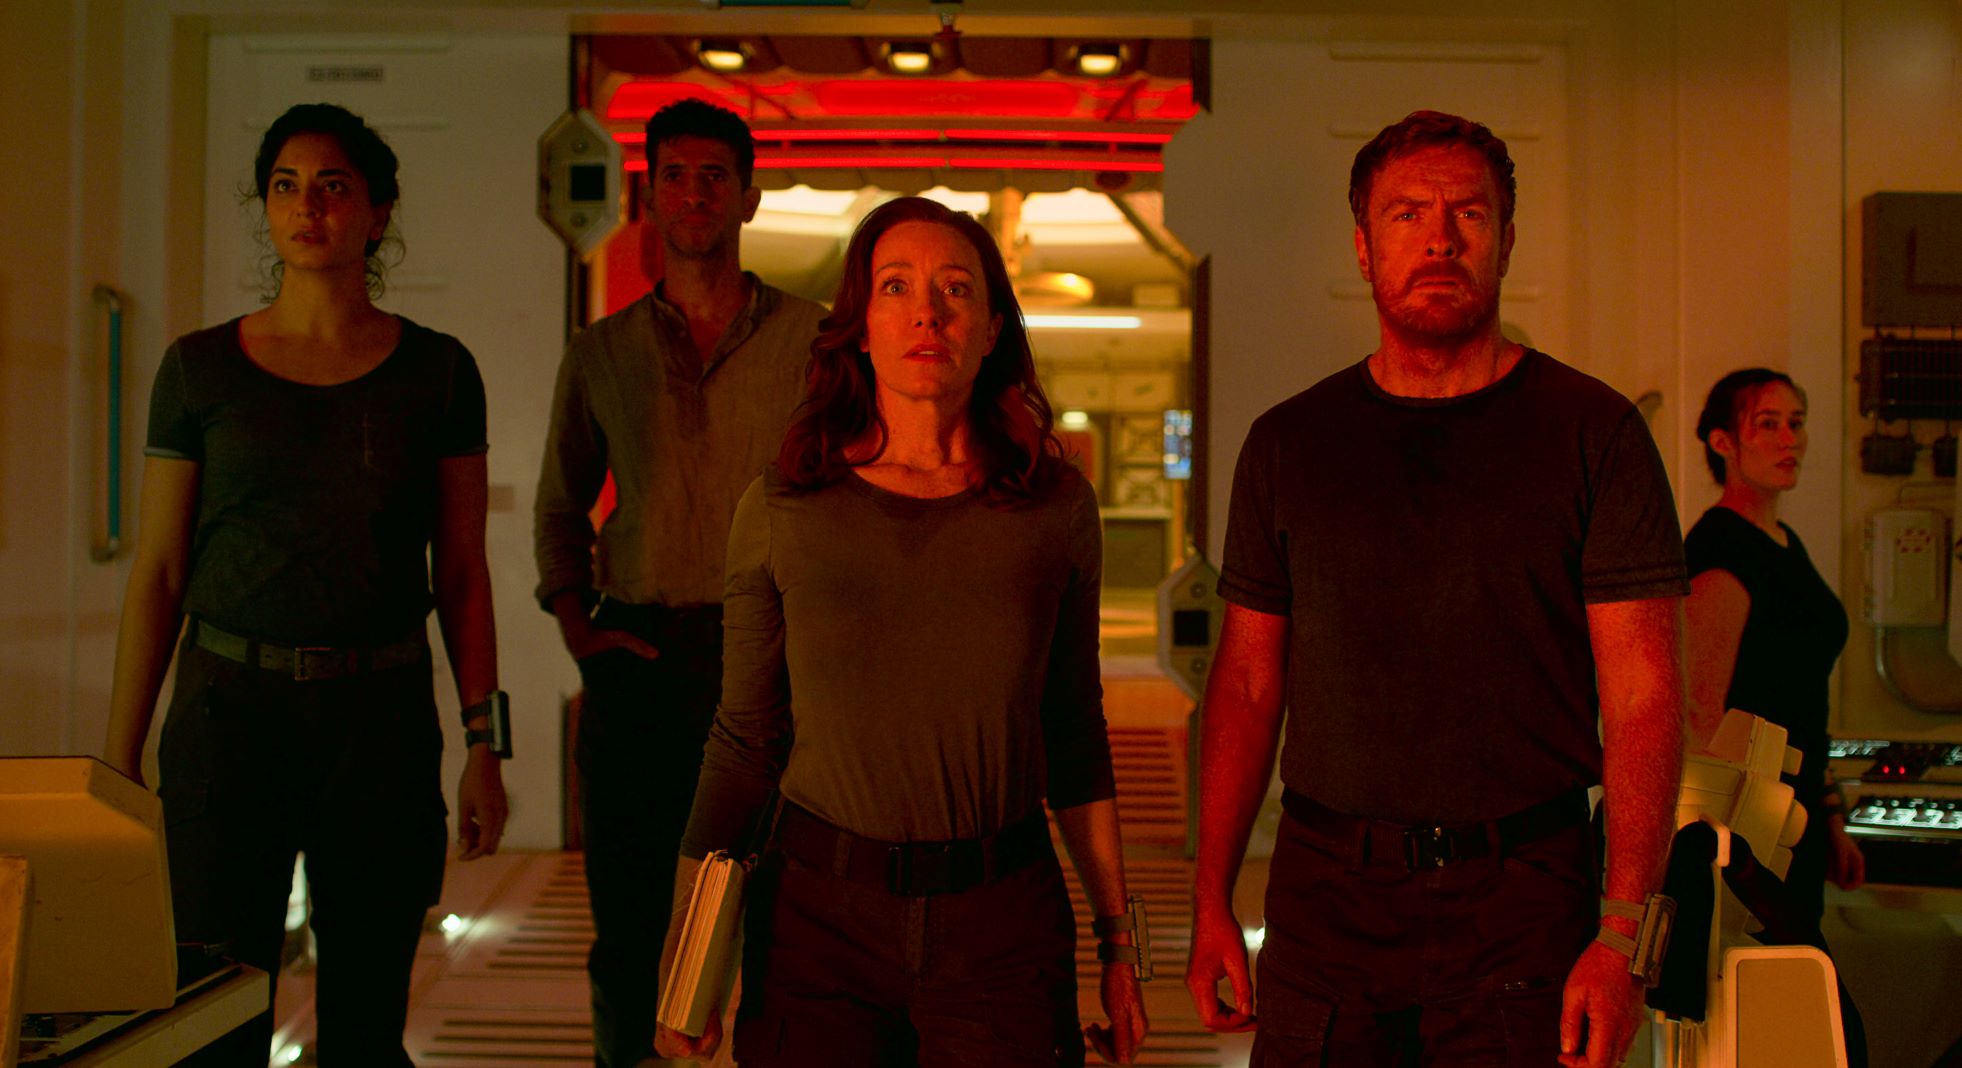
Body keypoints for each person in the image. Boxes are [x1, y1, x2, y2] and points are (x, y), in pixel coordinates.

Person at [1183, 110, 1687, 1068]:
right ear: (1364, 248)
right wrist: (1210, 900)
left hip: (1524, 899)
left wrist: (1625, 935)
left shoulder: (1595, 434)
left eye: (1470, 214)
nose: (1441, 238)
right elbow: (1246, 683)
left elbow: (1644, 694)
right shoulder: (1291, 444)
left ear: (1506, 241)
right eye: (1408, 214)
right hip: (1328, 898)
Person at [654, 196, 1149, 1067]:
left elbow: (1074, 730)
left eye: (955, 289)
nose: (928, 312)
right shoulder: (785, 505)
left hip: (1001, 921)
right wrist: (687, 958)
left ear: (991, 330)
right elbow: (744, 741)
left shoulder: (1054, 508)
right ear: (861, 327)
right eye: (896, 287)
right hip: (818, 920)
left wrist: (1120, 944)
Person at [103, 102, 507, 1066]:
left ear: (378, 209)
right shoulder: (199, 370)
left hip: (378, 716)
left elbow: (461, 570)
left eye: (332, 185)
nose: (307, 206)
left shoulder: (439, 373)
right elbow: (159, 570)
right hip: (228, 713)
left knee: (365, 1024)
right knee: (213, 1016)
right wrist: (116, 761)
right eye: (285, 186)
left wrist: (484, 744)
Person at [532, 97, 827, 1068]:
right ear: (648, 196)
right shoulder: (603, 352)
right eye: (675, 176)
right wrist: (580, 629)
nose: (695, 193)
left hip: (771, 663)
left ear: (749, 196)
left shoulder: (814, 343)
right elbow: (560, 505)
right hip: (642, 657)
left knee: (783, 921)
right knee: (630, 926)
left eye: (714, 175)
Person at [1685, 369, 1866, 1064]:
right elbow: (1702, 715)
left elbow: (1801, 694)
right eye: (1768, 424)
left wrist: (1830, 816)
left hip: (1797, 824)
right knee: (1802, 1031)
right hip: (1751, 843)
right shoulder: (1722, 550)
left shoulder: (1782, 542)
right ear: (1723, 442)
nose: (1790, 439)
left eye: (1797, 422)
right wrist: (1736, 857)